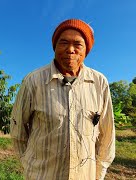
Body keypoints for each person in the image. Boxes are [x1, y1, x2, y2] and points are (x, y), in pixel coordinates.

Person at [10, 19, 115, 180]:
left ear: (86, 49)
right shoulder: (33, 81)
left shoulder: (99, 83)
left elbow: (107, 135)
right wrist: (29, 165)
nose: (70, 50)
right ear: (55, 47)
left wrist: (98, 173)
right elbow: (18, 130)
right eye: (63, 42)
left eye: (78, 44)